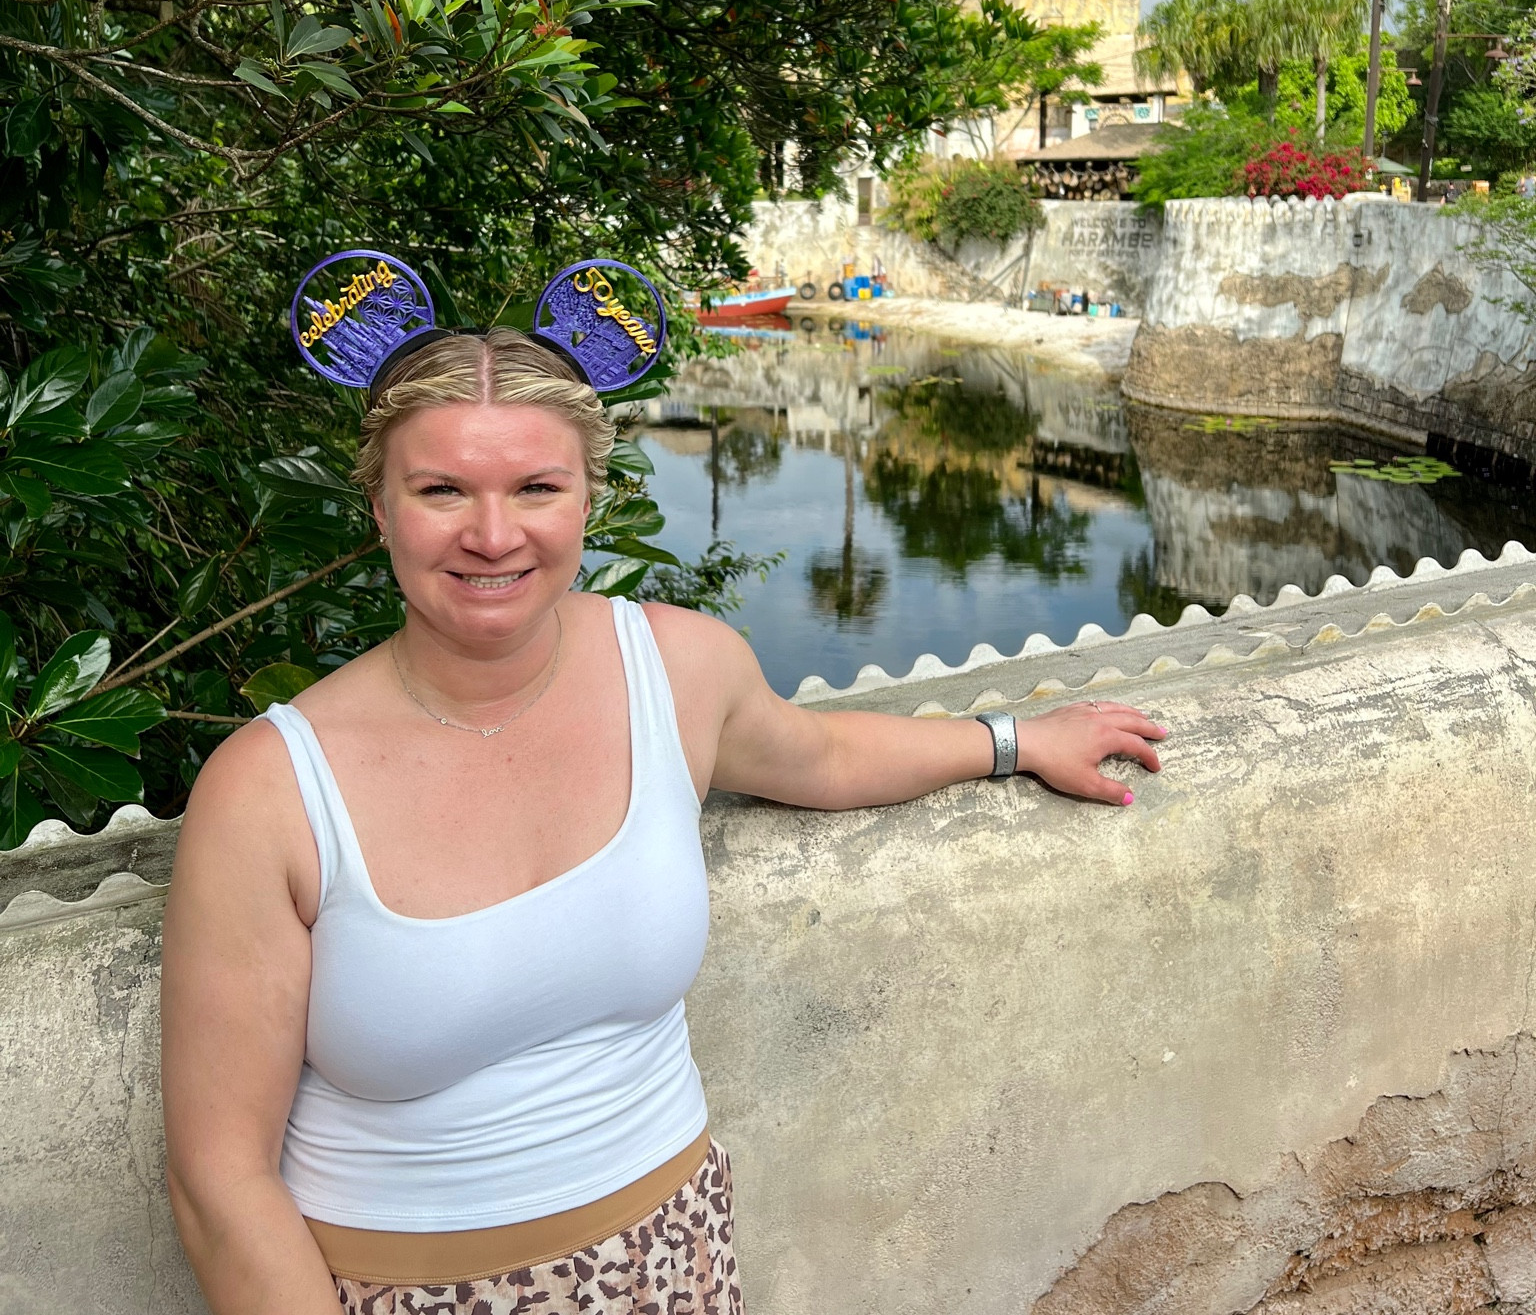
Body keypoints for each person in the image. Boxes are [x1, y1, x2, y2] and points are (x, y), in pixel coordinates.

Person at [161, 327, 1167, 1315]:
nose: (493, 534)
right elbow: (219, 1183)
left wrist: (1015, 740)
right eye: (442, 491)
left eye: (537, 488)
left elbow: (820, 756)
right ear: (381, 510)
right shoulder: (270, 788)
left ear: (589, 499)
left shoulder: (677, 669)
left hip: (675, 1259)